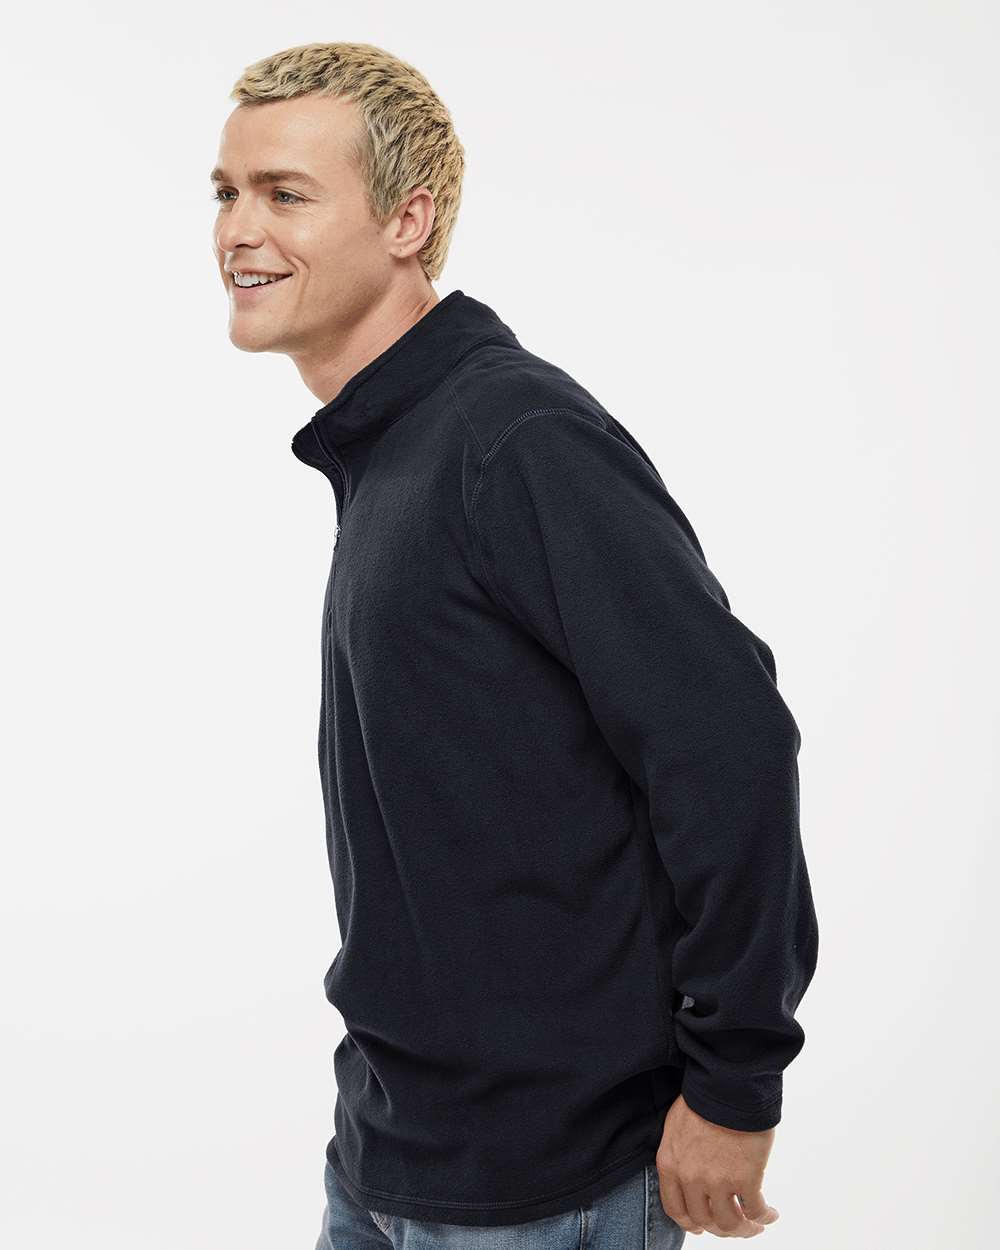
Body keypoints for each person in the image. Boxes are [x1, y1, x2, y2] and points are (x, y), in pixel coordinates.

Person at [211, 41, 819, 1247]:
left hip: (547, 1182)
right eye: (225, 191)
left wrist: (735, 1082)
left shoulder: (511, 436)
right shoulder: (393, 447)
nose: (238, 229)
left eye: (285, 193)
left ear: (407, 221)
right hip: (388, 1153)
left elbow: (731, 744)